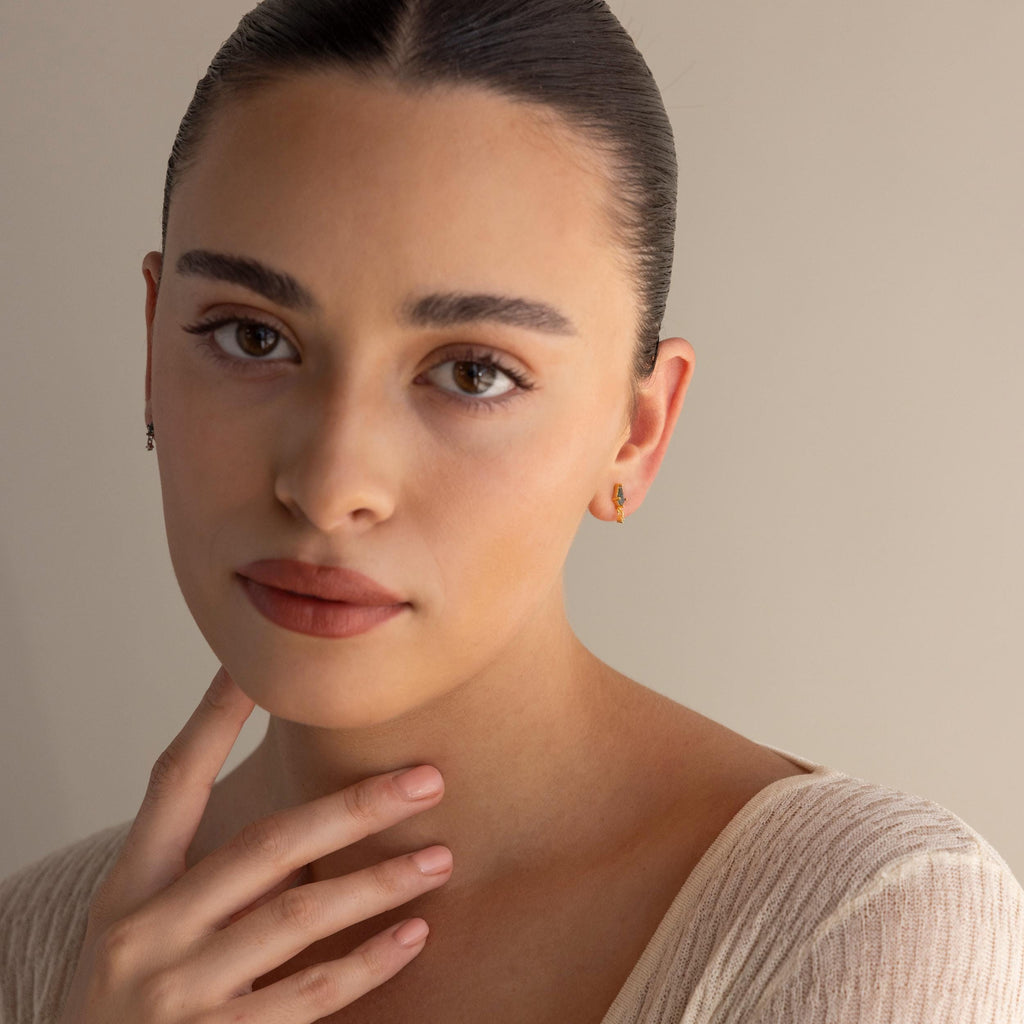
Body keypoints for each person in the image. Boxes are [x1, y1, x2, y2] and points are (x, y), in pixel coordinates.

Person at [1, 1, 1022, 1021]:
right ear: (150, 344)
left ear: (637, 433)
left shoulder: (864, 927)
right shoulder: (36, 949)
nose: (328, 485)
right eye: (252, 338)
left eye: (472, 371)